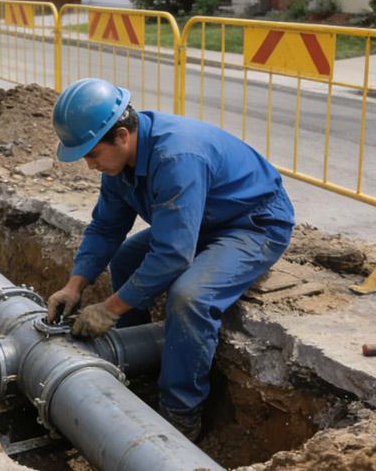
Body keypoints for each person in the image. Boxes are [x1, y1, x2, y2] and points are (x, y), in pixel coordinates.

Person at [46, 78, 295, 440]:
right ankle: (135, 363)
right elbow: (105, 229)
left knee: (190, 297)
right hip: (204, 218)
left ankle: (181, 413)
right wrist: (74, 286)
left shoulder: (176, 156)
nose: (89, 165)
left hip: (252, 223)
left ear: (121, 136)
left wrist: (110, 309)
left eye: (92, 154)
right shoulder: (119, 163)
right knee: (126, 259)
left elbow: (173, 255)